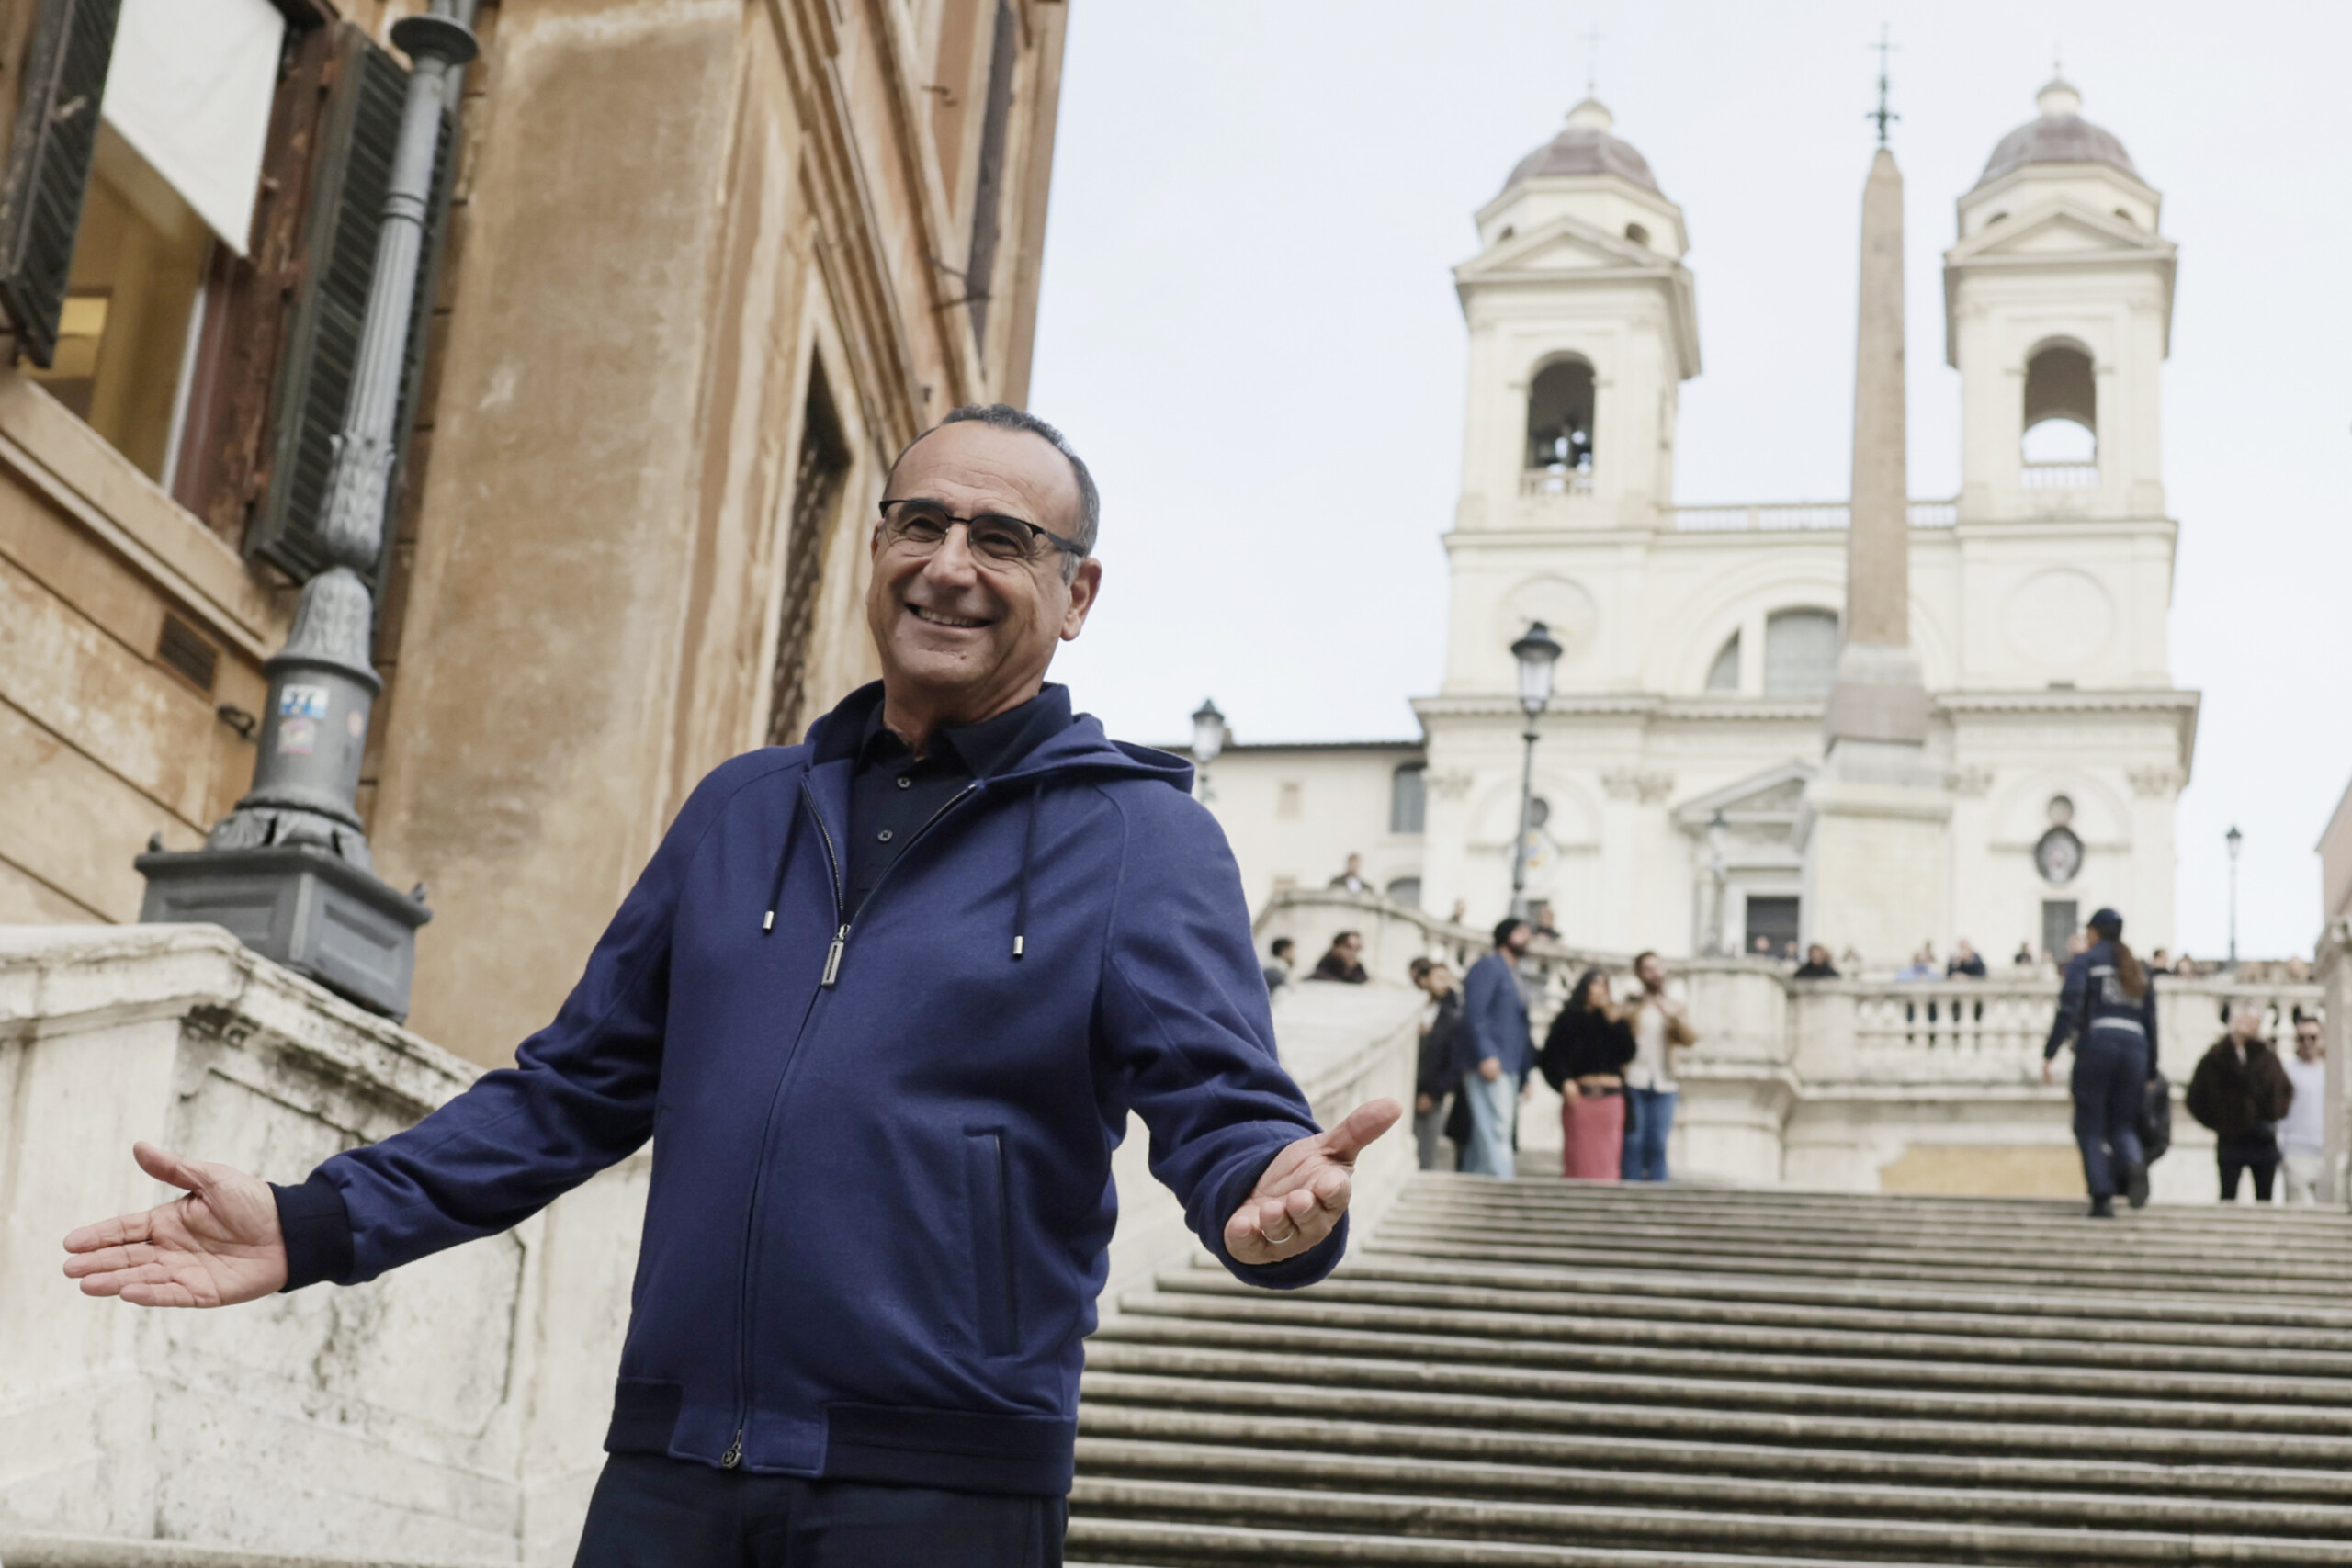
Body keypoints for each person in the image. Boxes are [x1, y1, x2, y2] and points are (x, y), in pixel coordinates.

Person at [61, 404, 1399, 1566]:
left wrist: (1267, 1199)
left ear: (1078, 592)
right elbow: (566, 1093)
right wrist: (314, 1220)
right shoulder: (746, 808)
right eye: (919, 523)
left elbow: (1228, 1108)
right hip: (671, 1466)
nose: (950, 565)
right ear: (876, 546)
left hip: (944, 1488)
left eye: (1002, 539)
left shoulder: (1140, 839)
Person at [2043, 908, 2157, 1217]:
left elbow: (2069, 1007)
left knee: (2090, 1125)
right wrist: (2150, 1069)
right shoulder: (2137, 968)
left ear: (2094, 932)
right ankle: (2134, 1162)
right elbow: (2151, 1021)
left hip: (2098, 1045)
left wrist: (2050, 1051)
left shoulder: (2086, 962)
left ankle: (2102, 1195)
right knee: (2122, 1123)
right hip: (2135, 1049)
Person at [2188, 1003, 2295, 1203]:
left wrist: (2271, 1114)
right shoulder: (2216, 1057)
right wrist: (2218, 1121)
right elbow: (2196, 1097)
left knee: (2264, 1197)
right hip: (2230, 1137)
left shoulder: (2267, 1057)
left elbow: (2283, 1092)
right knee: (2228, 1195)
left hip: (2261, 1137)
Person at [1539, 968, 1635, 1180]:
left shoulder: (1614, 1020)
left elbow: (1628, 1053)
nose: (1600, 990)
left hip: (1611, 1098)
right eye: (1596, 984)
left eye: (1604, 985)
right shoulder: (1568, 1019)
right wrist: (1563, 1081)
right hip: (1582, 1096)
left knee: (1609, 1156)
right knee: (1579, 1156)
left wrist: (1615, 1022)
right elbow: (1551, 1056)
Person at [1457, 919, 1535, 1178]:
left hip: (1510, 1064)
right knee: (1497, 1129)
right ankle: (1503, 1186)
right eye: (1521, 932)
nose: (1527, 937)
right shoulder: (1487, 967)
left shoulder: (1517, 976)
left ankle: (1473, 1185)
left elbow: (1521, 1029)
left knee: (1489, 1132)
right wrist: (1486, 1054)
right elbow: (1474, 1013)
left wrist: (1525, 1074)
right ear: (1506, 935)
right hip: (1490, 1062)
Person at [1622, 952, 1693, 1182]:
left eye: (1658, 968)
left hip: (1665, 1081)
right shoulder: (1632, 1004)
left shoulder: (1675, 1007)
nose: (1655, 973)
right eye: (1649, 969)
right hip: (1634, 1078)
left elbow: (1690, 1039)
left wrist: (1673, 1018)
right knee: (1634, 1141)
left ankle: (1659, 1195)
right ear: (1640, 974)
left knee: (1659, 1143)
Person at [1413, 964, 1464, 1171]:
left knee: (1425, 1153)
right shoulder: (1411, 1012)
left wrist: (1433, 1093)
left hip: (1431, 1096)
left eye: (1447, 979)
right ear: (1424, 980)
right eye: (1439, 978)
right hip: (1403, 1090)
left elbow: (1453, 1062)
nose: (1445, 984)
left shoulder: (1451, 1019)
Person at [2280, 1016, 2327, 1206]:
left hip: (2327, 1153)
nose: (2307, 1043)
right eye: (2302, 1038)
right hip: (2295, 1150)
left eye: (2312, 1037)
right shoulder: (2286, 1071)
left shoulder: (2331, 1072)